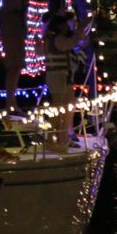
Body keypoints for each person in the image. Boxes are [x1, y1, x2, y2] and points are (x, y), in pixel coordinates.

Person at [45, 11, 90, 149]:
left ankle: (63, 136)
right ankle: (54, 137)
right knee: (58, 107)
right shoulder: (57, 39)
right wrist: (80, 28)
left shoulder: (61, 38)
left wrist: (82, 30)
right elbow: (70, 43)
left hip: (66, 76)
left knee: (68, 107)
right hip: (57, 75)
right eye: (64, 24)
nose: (67, 27)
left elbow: (77, 42)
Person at [0, 0, 34, 113]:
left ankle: (12, 101)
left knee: (17, 65)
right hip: (11, 27)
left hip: (18, 28)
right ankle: (9, 102)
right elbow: (10, 5)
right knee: (13, 65)